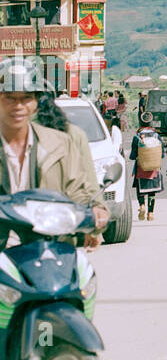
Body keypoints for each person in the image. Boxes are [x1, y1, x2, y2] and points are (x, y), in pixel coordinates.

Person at [0, 58, 108, 237]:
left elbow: (78, 190)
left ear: (36, 102)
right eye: (9, 97)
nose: (18, 106)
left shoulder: (59, 144)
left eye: (26, 97)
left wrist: (96, 210)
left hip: (49, 249)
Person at [131, 112, 165, 220]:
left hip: (141, 167)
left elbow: (132, 155)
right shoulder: (157, 136)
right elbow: (162, 154)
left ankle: (142, 206)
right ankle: (151, 213)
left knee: (140, 190)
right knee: (152, 191)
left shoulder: (137, 136)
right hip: (154, 168)